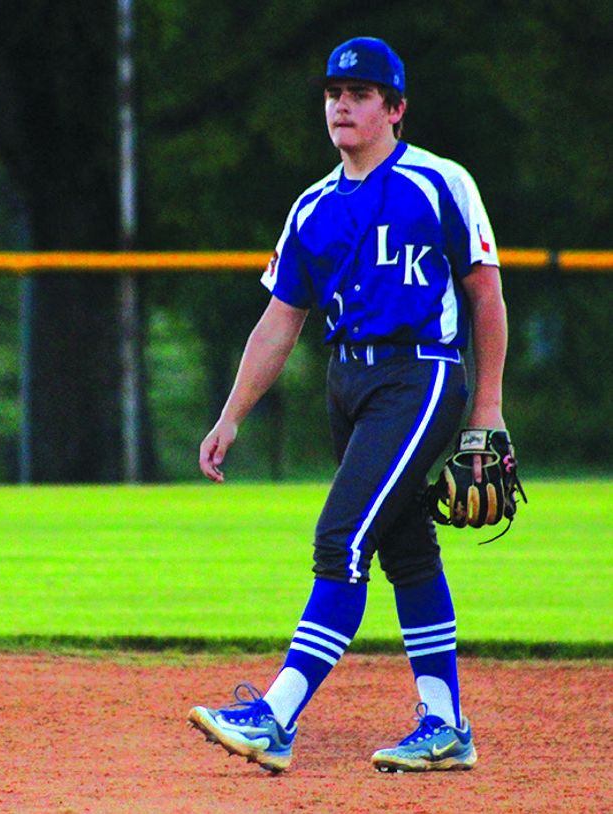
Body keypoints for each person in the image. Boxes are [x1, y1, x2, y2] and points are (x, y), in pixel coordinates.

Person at [188, 36, 509, 773]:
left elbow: (485, 293)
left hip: (421, 375)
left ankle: (274, 716)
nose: (342, 104)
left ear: (395, 109)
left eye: (361, 94)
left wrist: (486, 405)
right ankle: (445, 727)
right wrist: (231, 414)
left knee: (341, 539)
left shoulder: (438, 183)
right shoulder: (312, 208)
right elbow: (280, 322)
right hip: (348, 383)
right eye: (334, 92)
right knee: (405, 549)